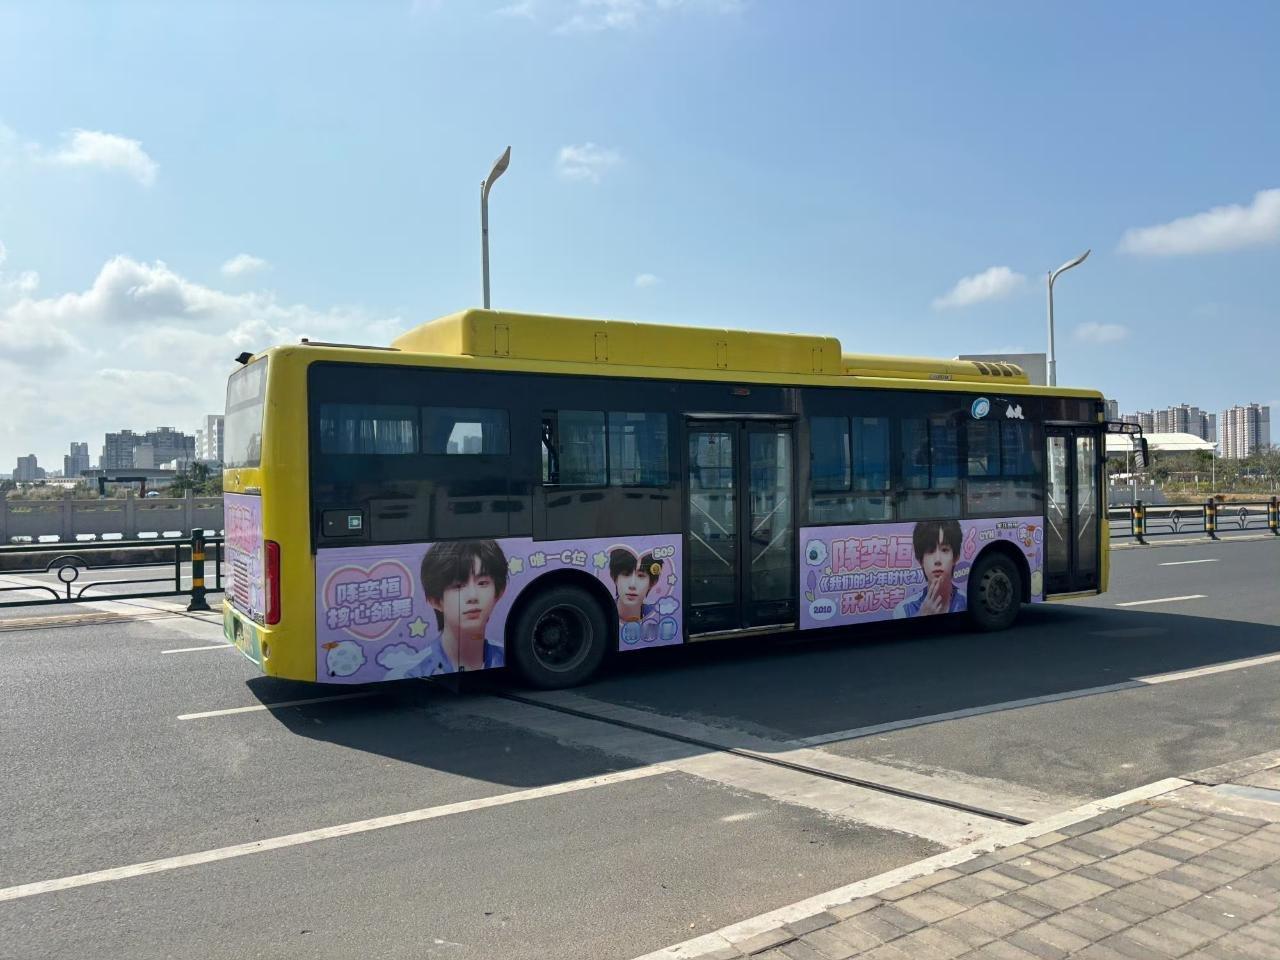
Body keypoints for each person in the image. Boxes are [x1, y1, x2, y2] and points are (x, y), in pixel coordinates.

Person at [387, 540, 509, 678]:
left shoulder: (512, 658)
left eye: (482, 583)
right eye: (458, 586)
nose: (473, 596)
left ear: (499, 592)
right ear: (435, 600)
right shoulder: (408, 674)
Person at [894, 519, 966, 618]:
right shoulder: (904, 610)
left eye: (944, 550)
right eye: (930, 551)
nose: (937, 560)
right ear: (920, 560)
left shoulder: (968, 602)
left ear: (956, 557)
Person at [609, 547, 661, 623]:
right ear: (614, 577)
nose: (632, 585)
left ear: (652, 582)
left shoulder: (657, 614)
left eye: (641, 576)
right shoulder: (603, 611)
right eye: (626, 574)